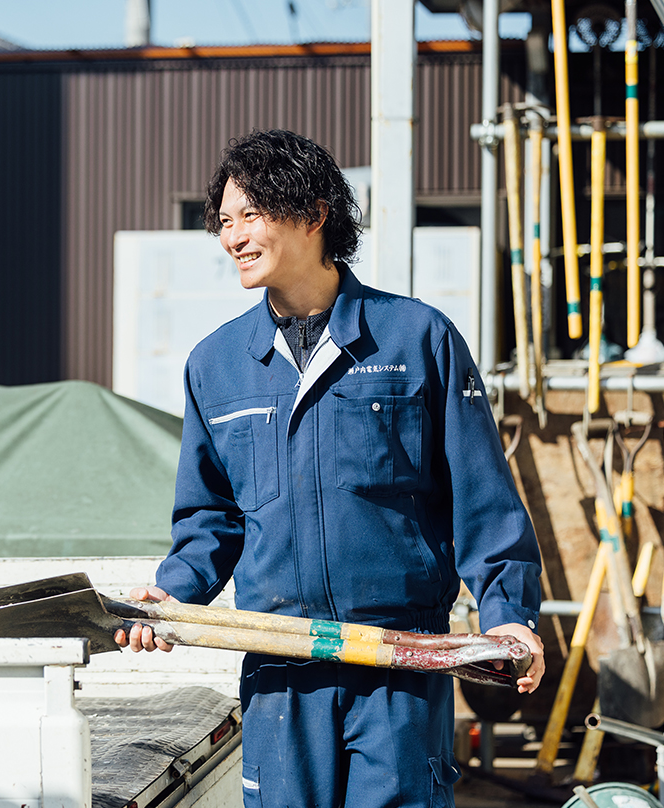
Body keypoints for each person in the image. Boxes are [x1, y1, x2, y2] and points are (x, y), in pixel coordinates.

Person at [114, 129, 545, 807]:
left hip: (398, 662)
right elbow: (210, 517)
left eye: (250, 216)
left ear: (314, 215)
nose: (233, 238)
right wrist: (173, 595)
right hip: (281, 667)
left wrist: (510, 612)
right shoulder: (217, 364)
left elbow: (481, 496)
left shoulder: (416, 337)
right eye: (225, 223)